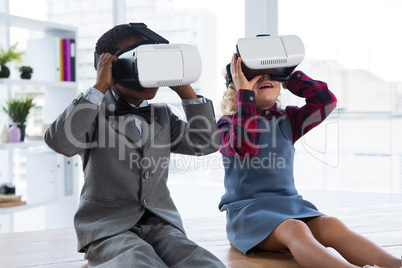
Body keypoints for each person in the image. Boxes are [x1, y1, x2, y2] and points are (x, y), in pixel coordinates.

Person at [45, 23, 225, 268]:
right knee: (139, 260)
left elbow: (206, 143)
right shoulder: (92, 112)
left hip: (160, 223)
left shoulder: (163, 115)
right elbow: (60, 142)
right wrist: (99, 87)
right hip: (108, 226)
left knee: (201, 262)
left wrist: (187, 93)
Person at [217, 53, 402, 268]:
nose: (264, 77)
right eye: (254, 76)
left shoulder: (288, 120)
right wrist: (245, 95)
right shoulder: (227, 125)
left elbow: (325, 102)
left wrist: (290, 77)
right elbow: (244, 147)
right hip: (249, 213)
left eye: (270, 75)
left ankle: (395, 264)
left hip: (290, 206)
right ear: (237, 90)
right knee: (295, 229)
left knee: (332, 224)